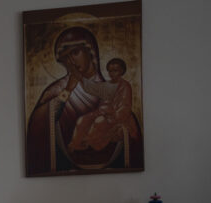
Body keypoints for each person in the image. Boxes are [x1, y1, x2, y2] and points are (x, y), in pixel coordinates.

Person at [25, 26, 142, 175]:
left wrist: (121, 129)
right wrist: (67, 90)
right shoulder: (56, 89)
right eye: (66, 57)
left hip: (110, 164)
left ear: (90, 51)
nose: (71, 61)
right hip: (64, 165)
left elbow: (126, 115)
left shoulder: (113, 86)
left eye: (75, 52)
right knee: (84, 122)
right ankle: (78, 144)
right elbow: (37, 125)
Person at [68, 58, 139, 153]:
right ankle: (76, 144)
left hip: (117, 116)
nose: (112, 73)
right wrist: (78, 75)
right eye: (110, 71)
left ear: (122, 71)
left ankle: (89, 143)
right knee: (82, 120)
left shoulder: (125, 86)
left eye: (115, 71)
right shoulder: (106, 85)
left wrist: (113, 117)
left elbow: (125, 107)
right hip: (102, 112)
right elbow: (92, 87)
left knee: (99, 121)